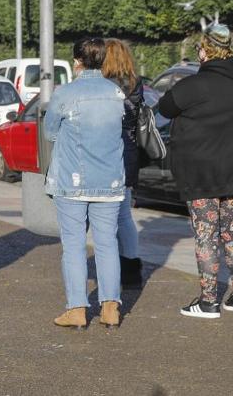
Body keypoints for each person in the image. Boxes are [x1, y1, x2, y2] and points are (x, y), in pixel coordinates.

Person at [155, 24, 233, 319]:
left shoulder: (194, 86)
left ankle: (208, 300)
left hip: (203, 174)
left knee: (206, 236)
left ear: (205, 51)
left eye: (199, 47)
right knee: (232, 234)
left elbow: (165, 107)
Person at [46, 38, 126, 330]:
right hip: (110, 180)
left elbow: (50, 132)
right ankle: (110, 308)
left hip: (73, 180)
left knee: (74, 246)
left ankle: (77, 309)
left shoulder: (66, 93)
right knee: (107, 244)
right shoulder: (115, 93)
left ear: (77, 61)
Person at [102, 38, 144, 288]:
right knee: (124, 216)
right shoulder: (135, 84)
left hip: (106, 153)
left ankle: (109, 270)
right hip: (129, 153)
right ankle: (131, 269)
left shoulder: (102, 87)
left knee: (102, 216)